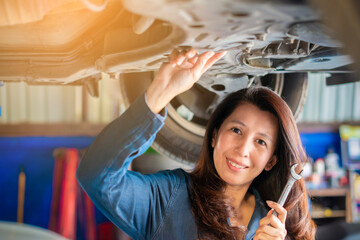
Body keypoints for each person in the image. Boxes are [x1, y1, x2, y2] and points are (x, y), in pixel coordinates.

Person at [77, 48, 316, 240]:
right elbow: (97, 175)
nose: (243, 150)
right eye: (236, 130)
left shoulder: (276, 229)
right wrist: (160, 93)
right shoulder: (169, 198)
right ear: (213, 136)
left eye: (260, 142)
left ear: (271, 161)